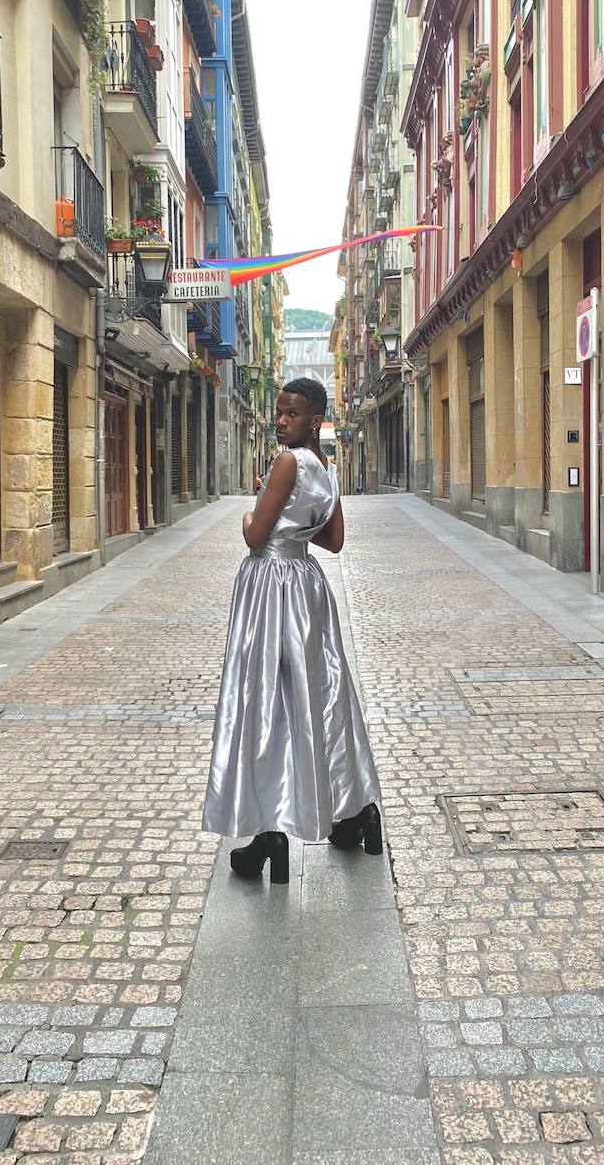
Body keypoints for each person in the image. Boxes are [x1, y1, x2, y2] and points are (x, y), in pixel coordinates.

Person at [201, 377, 382, 883]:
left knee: (267, 700)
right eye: (279, 412)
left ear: (315, 419)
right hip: (307, 585)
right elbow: (334, 540)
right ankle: (356, 811)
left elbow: (255, 537)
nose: (281, 421)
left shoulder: (285, 462)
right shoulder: (327, 467)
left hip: (269, 585)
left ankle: (270, 832)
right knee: (318, 693)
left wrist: (250, 514)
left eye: (292, 413)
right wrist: (294, 523)